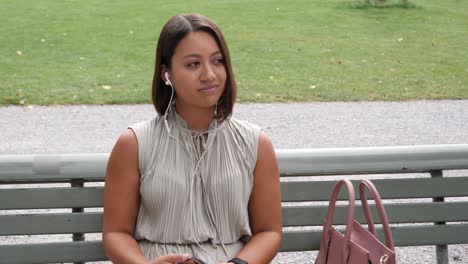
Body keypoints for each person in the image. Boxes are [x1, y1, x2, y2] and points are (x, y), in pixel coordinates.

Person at [102, 13, 282, 264]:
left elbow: (269, 231)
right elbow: (115, 233)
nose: (209, 75)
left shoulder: (255, 143)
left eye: (217, 61)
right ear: (167, 74)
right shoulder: (134, 144)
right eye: (193, 64)